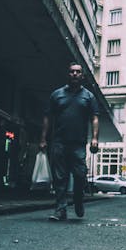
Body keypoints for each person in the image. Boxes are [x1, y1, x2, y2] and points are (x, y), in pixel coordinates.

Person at [40, 62, 99, 221]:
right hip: (59, 142)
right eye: (72, 72)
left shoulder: (88, 96)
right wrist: (43, 138)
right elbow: (48, 117)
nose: (74, 74)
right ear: (68, 74)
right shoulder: (57, 95)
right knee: (60, 178)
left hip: (78, 144)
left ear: (82, 76)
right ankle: (61, 210)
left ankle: (78, 199)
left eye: (78, 72)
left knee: (80, 175)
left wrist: (94, 138)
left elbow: (94, 118)